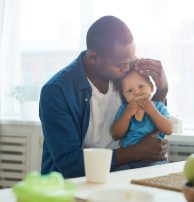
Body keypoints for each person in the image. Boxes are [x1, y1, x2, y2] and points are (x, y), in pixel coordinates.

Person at [39, 16, 169, 178]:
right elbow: (69, 164)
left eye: (132, 60)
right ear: (94, 57)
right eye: (121, 64)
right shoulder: (56, 91)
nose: (128, 68)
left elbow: (146, 121)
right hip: (73, 185)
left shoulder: (126, 76)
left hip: (121, 176)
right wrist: (134, 153)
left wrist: (162, 89)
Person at [111, 65, 173, 169]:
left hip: (154, 160)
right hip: (128, 161)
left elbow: (169, 129)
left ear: (151, 87)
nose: (137, 93)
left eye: (141, 86)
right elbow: (117, 134)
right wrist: (127, 115)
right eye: (129, 91)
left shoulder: (158, 106)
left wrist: (153, 111)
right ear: (124, 96)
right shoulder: (124, 109)